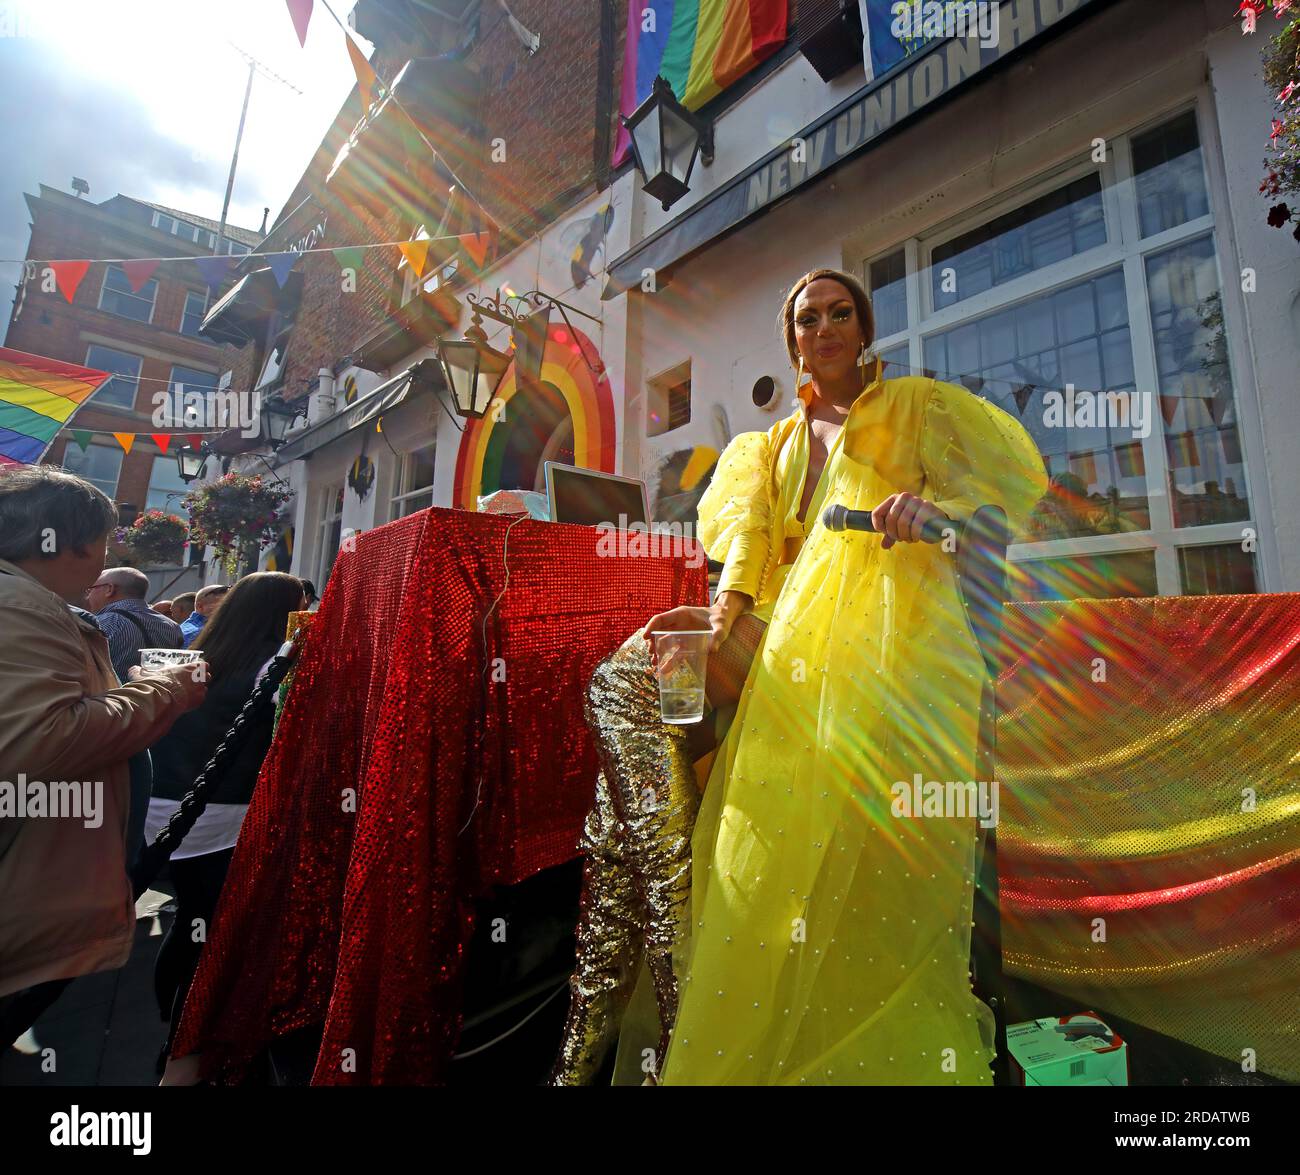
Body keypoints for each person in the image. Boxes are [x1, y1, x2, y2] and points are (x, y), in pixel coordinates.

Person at [550, 269, 1047, 1086]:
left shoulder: (916, 410)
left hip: (876, 640)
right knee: (624, 679)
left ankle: (658, 995)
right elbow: (743, 549)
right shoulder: (766, 447)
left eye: (839, 312)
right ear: (792, 342)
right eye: (807, 317)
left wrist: (925, 521)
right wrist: (717, 621)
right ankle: (677, 961)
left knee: (617, 785)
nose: (823, 326)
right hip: (766, 632)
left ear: (863, 327)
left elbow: (982, 532)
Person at [0, 466, 207, 1027]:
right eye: (104, 541)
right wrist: (166, 691)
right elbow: (46, 736)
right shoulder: (21, 606)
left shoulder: (30, 604)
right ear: (74, 541)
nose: (100, 561)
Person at [146, 571, 305, 1054]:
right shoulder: (272, 665)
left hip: (161, 807)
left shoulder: (196, 657)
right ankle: (184, 1039)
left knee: (189, 918)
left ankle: (171, 1021)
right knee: (208, 924)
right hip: (218, 812)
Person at [86, 566, 184, 679]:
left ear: (109, 589)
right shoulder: (173, 626)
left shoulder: (100, 624)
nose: (88, 595)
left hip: (116, 696)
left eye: (91, 589)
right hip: (160, 694)